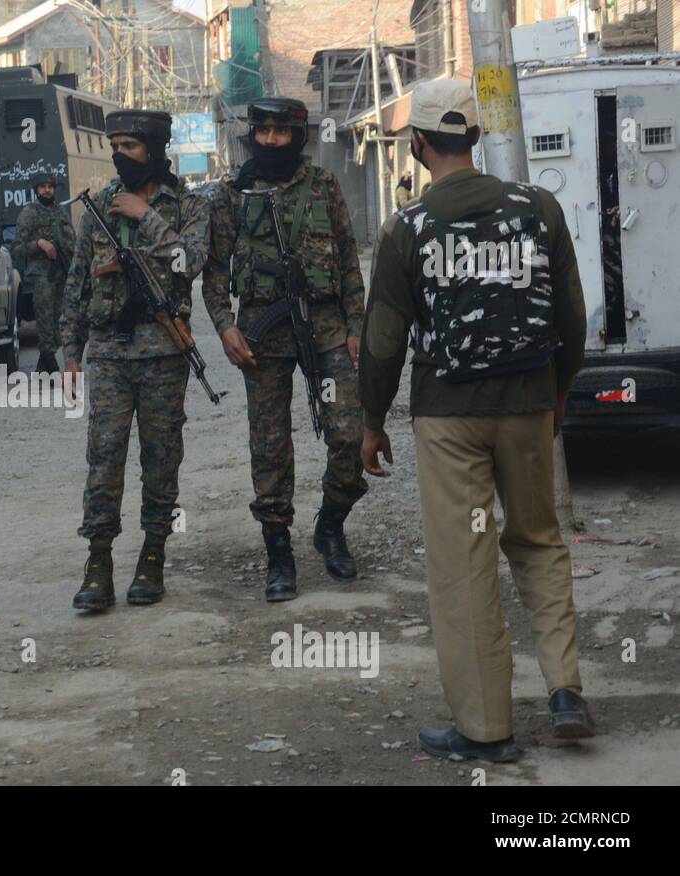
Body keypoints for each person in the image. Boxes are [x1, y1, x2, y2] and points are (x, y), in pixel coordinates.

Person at [358, 79, 593, 761]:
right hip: (526, 405)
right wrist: (560, 391)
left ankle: (487, 729)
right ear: (478, 140)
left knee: (465, 562)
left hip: (449, 416)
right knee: (539, 540)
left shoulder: (408, 228)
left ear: (419, 144)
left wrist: (371, 421)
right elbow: (572, 316)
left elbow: (382, 340)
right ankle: (566, 690)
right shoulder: (537, 208)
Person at [203, 97, 368, 602]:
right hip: (262, 330)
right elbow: (213, 272)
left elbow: (347, 260)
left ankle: (331, 525)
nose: (271, 140)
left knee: (348, 431)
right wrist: (225, 327)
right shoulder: (233, 194)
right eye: (263, 130)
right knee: (270, 445)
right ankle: (278, 550)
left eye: (280, 131)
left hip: (323, 324)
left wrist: (356, 324)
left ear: (299, 135)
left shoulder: (322, 186)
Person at [60, 109, 210, 610]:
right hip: (108, 353)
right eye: (115, 145)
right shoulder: (99, 206)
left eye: (131, 146)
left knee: (160, 456)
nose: (120, 155)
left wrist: (147, 218)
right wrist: (71, 354)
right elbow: (78, 282)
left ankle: (152, 555)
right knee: (104, 457)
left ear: (155, 148)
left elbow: (191, 262)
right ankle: (98, 560)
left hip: (164, 353)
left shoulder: (187, 205)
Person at [10, 171, 76, 373]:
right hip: (42, 277)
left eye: (50, 186)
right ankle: (51, 364)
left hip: (62, 274)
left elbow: (71, 241)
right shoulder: (29, 213)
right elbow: (17, 248)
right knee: (45, 320)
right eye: (42, 187)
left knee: (61, 321)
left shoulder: (61, 212)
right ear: (36, 190)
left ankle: (43, 364)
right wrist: (39, 244)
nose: (47, 190)